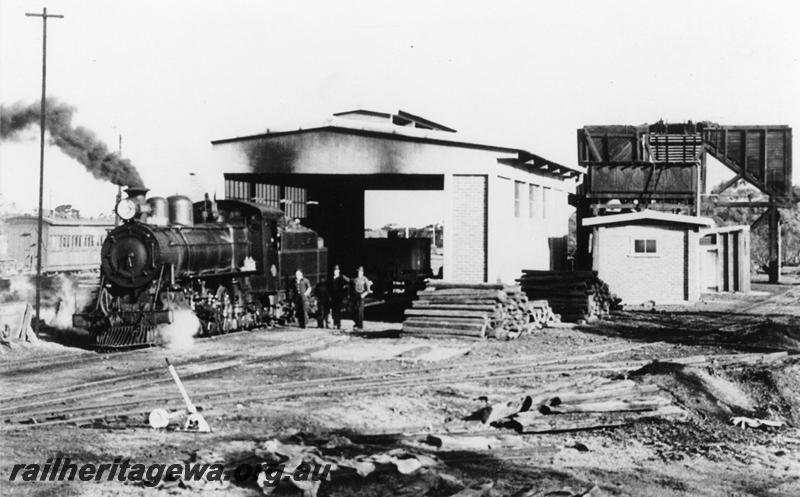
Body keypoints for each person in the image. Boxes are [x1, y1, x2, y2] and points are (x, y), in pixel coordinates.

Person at [351, 266, 372, 331]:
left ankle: (360, 326)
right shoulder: (355, 279)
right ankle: (356, 324)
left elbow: (368, 290)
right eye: (358, 272)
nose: (359, 273)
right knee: (354, 311)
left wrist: (364, 294)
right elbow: (352, 288)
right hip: (355, 296)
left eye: (360, 272)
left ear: (362, 272)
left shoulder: (365, 279)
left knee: (360, 311)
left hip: (361, 296)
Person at [329, 265, 350, 330]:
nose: (335, 272)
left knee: (338, 310)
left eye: (336, 270)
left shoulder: (342, 277)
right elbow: (330, 287)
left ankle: (338, 324)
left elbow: (349, 281)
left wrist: (345, 287)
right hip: (333, 296)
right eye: (334, 270)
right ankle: (335, 323)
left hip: (339, 296)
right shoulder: (332, 278)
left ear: (339, 271)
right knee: (334, 310)